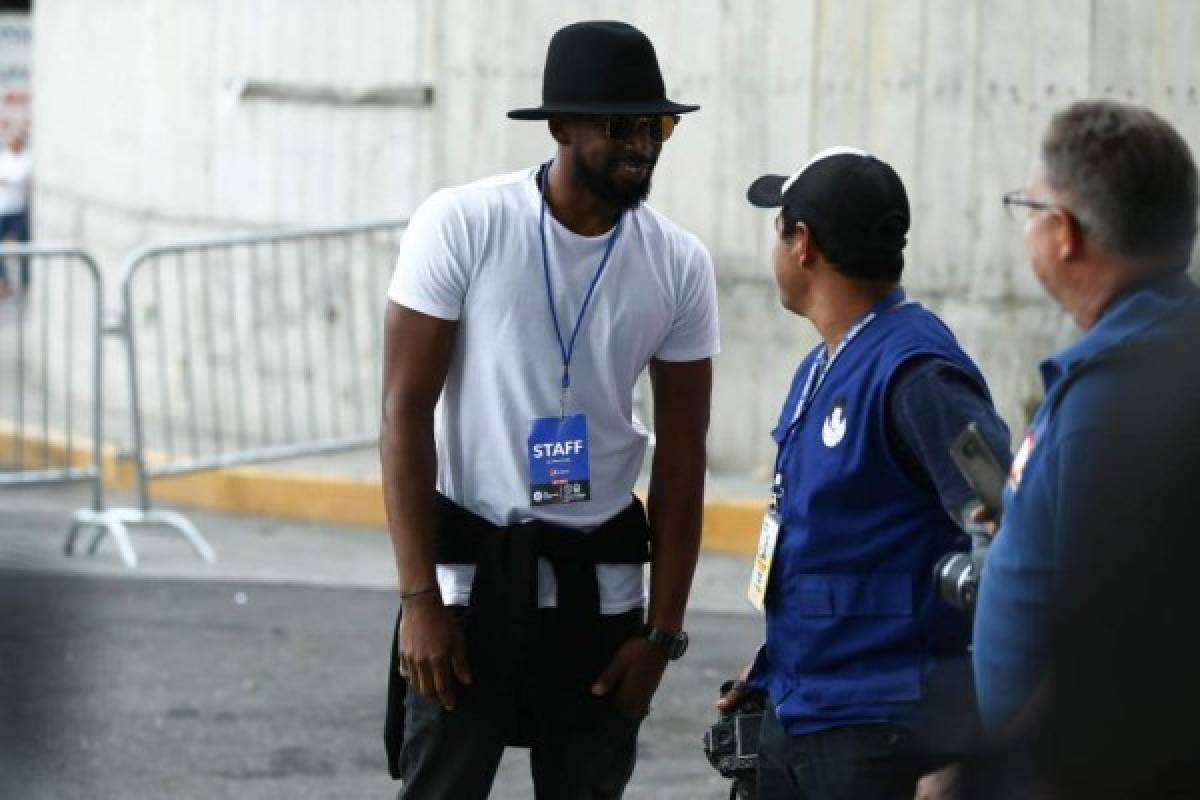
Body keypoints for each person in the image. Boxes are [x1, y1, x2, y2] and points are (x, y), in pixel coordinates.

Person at [378, 20, 718, 800]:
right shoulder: (462, 224)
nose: (645, 145)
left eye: (657, 125)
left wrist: (661, 635)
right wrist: (417, 600)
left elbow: (685, 453)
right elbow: (403, 412)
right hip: (469, 583)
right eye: (621, 126)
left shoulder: (679, 263)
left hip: (600, 589)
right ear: (561, 127)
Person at [720, 148, 1010, 799]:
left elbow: (1010, 542)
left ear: (803, 244)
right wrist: (773, 664)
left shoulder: (920, 375)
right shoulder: (822, 365)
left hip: (881, 730)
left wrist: (974, 744)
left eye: (778, 226)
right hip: (804, 707)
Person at [968, 100, 1200, 796]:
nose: (1029, 224)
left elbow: (1111, 649)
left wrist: (994, 770)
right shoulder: (1154, 357)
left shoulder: (1114, 399)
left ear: (1063, 233)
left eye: (1029, 206)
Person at [0, 126, 31, 298]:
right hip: (3, 210)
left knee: (26, 251)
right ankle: (3, 282)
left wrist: (9, 180)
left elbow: (20, 177)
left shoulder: (25, 158)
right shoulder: (4, 157)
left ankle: (27, 283)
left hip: (18, 211)